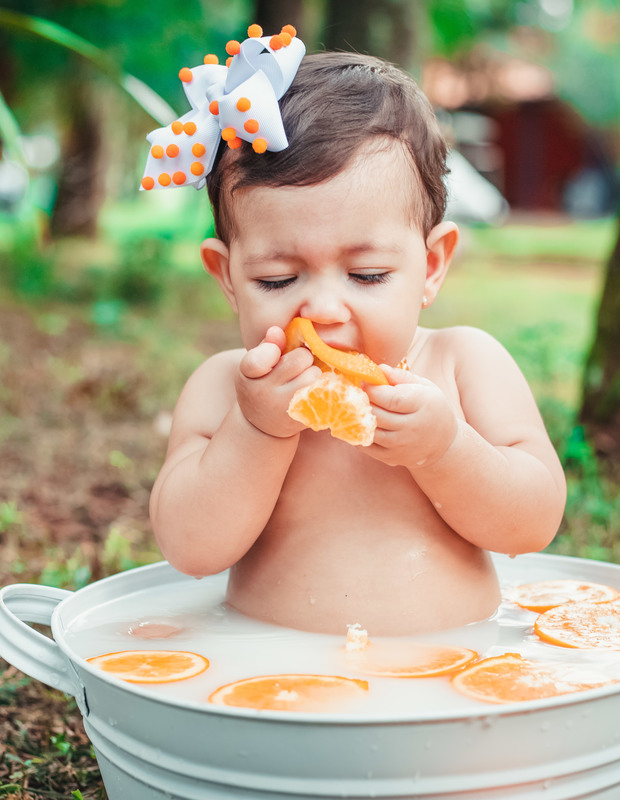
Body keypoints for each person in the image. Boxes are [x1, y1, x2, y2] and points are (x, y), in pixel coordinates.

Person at [146, 33, 566, 636]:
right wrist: (257, 429)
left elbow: (532, 524)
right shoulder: (223, 389)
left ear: (433, 265)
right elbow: (190, 550)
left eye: (367, 274)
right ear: (228, 276)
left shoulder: (462, 364)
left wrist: (445, 450)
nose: (320, 309)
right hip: (280, 682)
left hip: (452, 669)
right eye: (278, 278)